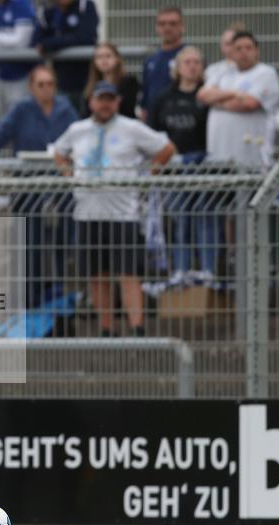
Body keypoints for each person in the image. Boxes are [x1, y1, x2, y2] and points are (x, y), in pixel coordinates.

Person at [54, 82, 176, 337]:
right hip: (87, 213)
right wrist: (68, 174)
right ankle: (106, 329)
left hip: (123, 213)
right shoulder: (78, 130)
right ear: (91, 102)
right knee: (97, 274)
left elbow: (165, 148)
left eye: (110, 99)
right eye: (101, 99)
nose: (105, 104)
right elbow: (58, 151)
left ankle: (137, 327)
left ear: (118, 102)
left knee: (128, 273)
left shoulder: (131, 128)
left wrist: (147, 177)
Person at [0, 65, 78, 310]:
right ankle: (29, 299)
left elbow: (78, 137)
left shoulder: (65, 108)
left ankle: (60, 289)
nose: (46, 89)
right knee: (29, 241)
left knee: (66, 235)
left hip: (61, 183)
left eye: (50, 84)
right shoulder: (21, 110)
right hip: (27, 183)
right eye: (41, 84)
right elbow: (1, 134)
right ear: (31, 87)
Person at [149, 47, 218, 288]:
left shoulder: (208, 97)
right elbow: (152, 131)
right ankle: (180, 269)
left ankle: (208, 269)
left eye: (197, 62)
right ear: (177, 68)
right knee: (181, 220)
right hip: (174, 167)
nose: (192, 66)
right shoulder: (163, 97)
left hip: (203, 165)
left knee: (206, 217)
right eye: (187, 62)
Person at [198, 31, 279, 169]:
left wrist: (216, 100)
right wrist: (236, 94)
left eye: (248, 48)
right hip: (220, 154)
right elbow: (202, 95)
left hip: (251, 156)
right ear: (232, 52)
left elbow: (249, 104)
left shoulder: (266, 73)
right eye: (238, 48)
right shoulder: (223, 72)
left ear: (257, 51)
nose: (243, 52)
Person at [35, 0, 99, 114]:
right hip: (60, 81)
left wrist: (51, 44)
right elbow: (37, 40)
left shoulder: (85, 6)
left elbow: (85, 38)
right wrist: (65, 41)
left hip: (86, 82)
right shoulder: (48, 10)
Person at [0, 0, 37, 121]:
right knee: (0, 124)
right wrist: (8, 39)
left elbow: (21, 43)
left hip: (23, 74)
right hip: (0, 75)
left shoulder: (22, 3)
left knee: (19, 123)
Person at [140, 6, 185, 121]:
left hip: (179, 122)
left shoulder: (189, 59)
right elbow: (145, 99)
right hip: (153, 124)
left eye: (173, 23)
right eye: (162, 24)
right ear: (156, 28)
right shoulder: (150, 60)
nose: (167, 28)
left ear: (182, 27)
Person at [82, 43, 139, 119]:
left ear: (117, 59)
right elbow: (85, 113)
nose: (103, 60)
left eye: (108, 56)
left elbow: (127, 109)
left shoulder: (128, 82)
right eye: (99, 57)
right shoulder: (90, 84)